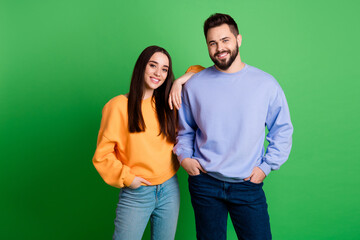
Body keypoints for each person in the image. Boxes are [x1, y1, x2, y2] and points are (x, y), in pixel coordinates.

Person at [173, 13, 293, 240]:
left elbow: (282, 129)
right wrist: (184, 158)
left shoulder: (265, 84)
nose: (219, 48)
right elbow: (185, 129)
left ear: (238, 39)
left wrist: (266, 167)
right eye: (212, 43)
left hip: (247, 185)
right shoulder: (194, 84)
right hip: (205, 183)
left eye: (225, 40)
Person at [92, 45, 197, 240]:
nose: (158, 73)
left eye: (165, 69)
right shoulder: (117, 107)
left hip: (169, 188)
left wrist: (179, 82)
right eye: (153, 65)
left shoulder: (168, 103)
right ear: (142, 66)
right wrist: (128, 179)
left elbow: (201, 71)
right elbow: (103, 155)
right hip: (137, 193)